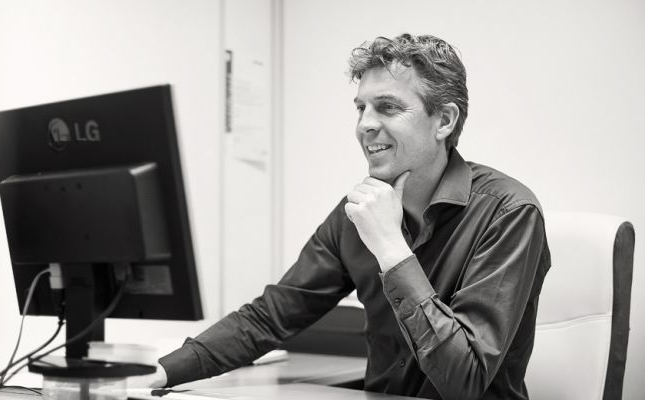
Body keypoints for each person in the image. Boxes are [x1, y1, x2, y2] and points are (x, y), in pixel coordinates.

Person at [151, 33, 551, 400]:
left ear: (444, 120)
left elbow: (465, 380)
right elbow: (270, 317)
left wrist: (392, 249)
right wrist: (161, 372)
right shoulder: (356, 214)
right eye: (361, 108)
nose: (365, 125)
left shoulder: (509, 212)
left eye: (388, 107)